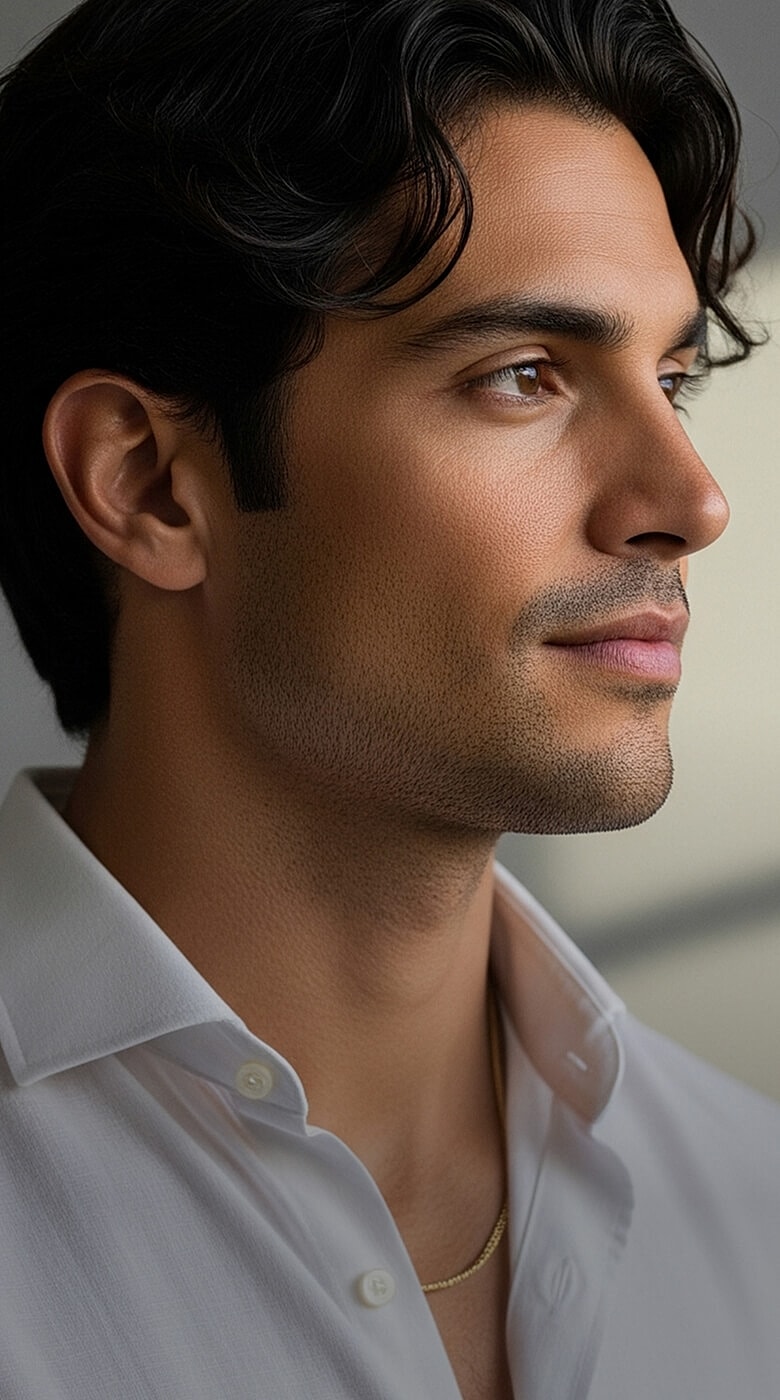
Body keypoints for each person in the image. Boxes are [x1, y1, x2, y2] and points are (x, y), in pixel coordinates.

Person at [0, 0, 777, 1396]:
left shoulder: (756, 1209)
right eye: (525, 376)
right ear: (148, 482)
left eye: (669, 379)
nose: (690, 502)